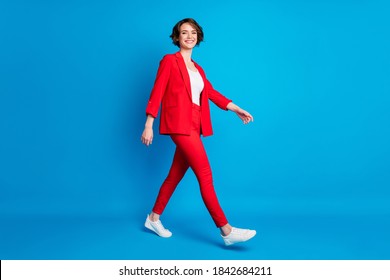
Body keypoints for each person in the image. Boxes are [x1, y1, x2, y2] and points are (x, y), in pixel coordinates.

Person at [141, 18, 256, 246]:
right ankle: (226, 230)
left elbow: (210, 92)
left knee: (174, 176)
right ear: (177, 37)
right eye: (184, 33)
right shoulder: (169, 61)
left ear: (198, 36)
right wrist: (149, 123)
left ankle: (153, 218)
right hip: (180, 124)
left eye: (193, 32)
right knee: (205, 174)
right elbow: (158, 90)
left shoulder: (198, 68)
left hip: (195, 124)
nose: (189, 36)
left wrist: (234, 108)